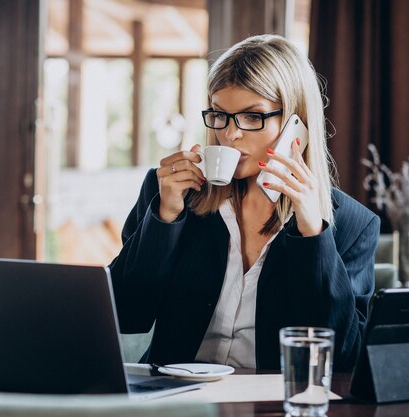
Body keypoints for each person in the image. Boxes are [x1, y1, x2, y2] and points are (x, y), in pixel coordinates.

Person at [108, 34, 379, 371]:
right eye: (220, 115)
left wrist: (314, 235)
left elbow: (342, 359)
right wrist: (165, 218)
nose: (231, 134)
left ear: (296, 124)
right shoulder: (173, 195)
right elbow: (126, 314)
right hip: (177, 397)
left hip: (273, 401)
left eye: (252, 117)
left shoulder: (353, 225)